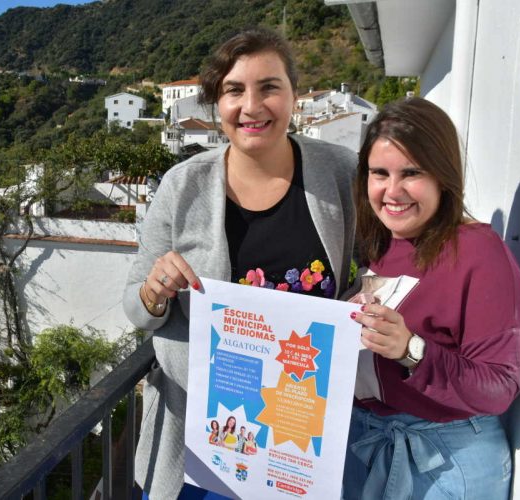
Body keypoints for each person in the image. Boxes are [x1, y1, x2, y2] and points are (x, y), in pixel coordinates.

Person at [123, 27, 357, 499]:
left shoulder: (341, 172)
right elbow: (135, 307)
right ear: (217, 104)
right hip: (199, 435)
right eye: (234, 90)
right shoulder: (182, 185)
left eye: (269, 87)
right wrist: (155, 289)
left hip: (299, 436)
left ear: (294, 95)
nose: (252, 106)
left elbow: (382, 262)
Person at [343, 97, 520, 499]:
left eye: (412, 173)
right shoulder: (371, 244)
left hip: (445, 460)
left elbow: (499, 387)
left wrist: (411, 350)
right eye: (379, 173)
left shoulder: (479, 250)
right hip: (367, 445)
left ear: (443, 176)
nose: (393, 191)